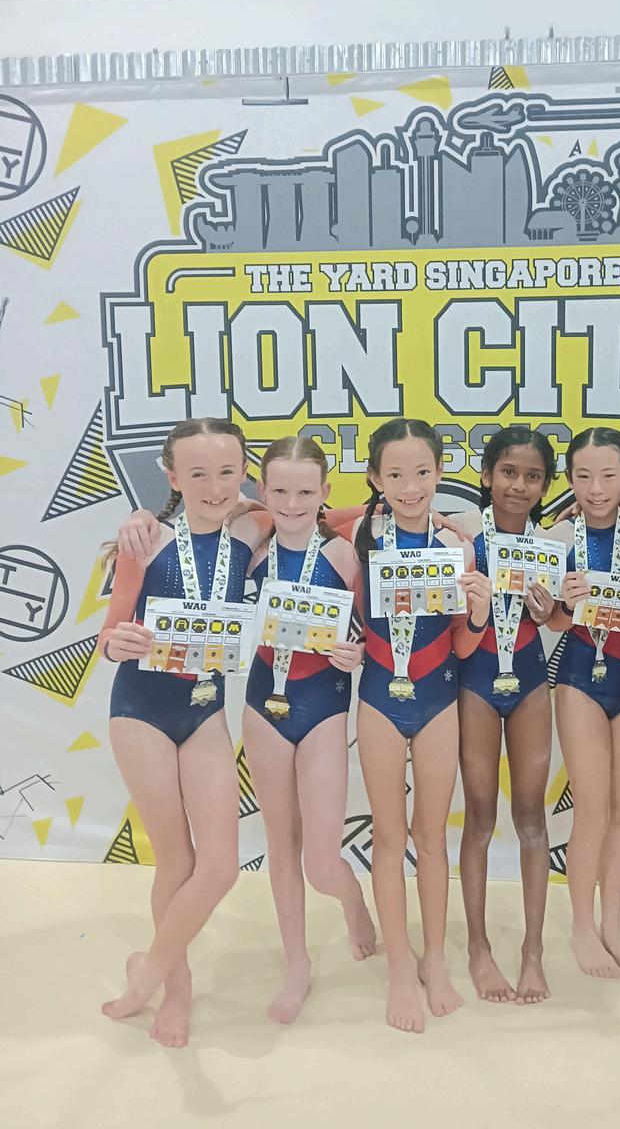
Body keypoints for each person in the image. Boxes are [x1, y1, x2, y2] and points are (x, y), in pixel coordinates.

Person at [97, 417, 272, 1048]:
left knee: (220, 867)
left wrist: (444, 525)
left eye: (227, 472)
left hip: (203, 714)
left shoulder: (253, 529)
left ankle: (147, 968)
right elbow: (109, 635)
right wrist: (118, 641)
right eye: (198, 474)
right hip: (140, 711)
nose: (215, 486)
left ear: (245, 473)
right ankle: (175, 990)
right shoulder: (145, 542)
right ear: (172, 477)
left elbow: (327, 515)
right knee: (177, 858)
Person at [351, 418, 491, 1033]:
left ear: (440, 472)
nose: (410, 487)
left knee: (431, 838)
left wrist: (479, 615)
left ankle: (435, 958)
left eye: (422, 473)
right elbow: (280, 512)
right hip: (379, 699)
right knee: (388, 839)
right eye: (396, 475)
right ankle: (400, 968)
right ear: (375, 479)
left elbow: (461, 646)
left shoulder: (459, 546)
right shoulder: (356, 536)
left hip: (439, 700)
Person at [243, 435, 376, 1024]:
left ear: (324, 492)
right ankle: (296, 965)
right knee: (281, 844)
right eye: (279, 491)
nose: (291, 504)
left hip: (322, 708)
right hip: (261, 707)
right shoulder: (248, 549)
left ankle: (352, 899)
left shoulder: (345, 556)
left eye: (304, 492)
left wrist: (358, 653)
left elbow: (373, 634)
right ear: (262, 491)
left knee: (322, 862)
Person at [453, 427, 557, 1004]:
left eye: (533, 476)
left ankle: (533, 952)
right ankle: (478, 947)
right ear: (488, 474)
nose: (519, 485)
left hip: (530, 680)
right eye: (509, 472)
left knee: (532, 818)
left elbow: (559, 618)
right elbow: (361, 520)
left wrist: (551, 611)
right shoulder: (459, 535)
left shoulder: (552, 543)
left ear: (545, 485)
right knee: (479, 817)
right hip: (473, 680)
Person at [546, 427, 620, 979]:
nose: (595, 489)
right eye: (583, 476)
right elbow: (549, 620)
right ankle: (581, 927)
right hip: (579, 678)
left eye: (608, 476)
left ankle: (613, 924)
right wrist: (563, 606)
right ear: (569, 478)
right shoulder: (558, 538)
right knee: (590, 808)